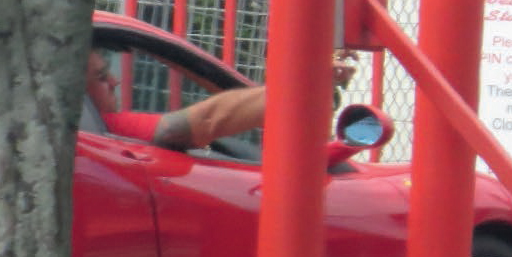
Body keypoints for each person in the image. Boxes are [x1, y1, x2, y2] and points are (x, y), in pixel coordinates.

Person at [84, 47, 359, 152]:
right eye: (100, 77)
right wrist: (299, 86)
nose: (114, 81)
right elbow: (181, 127)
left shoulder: (91, 132)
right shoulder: (104, 127)